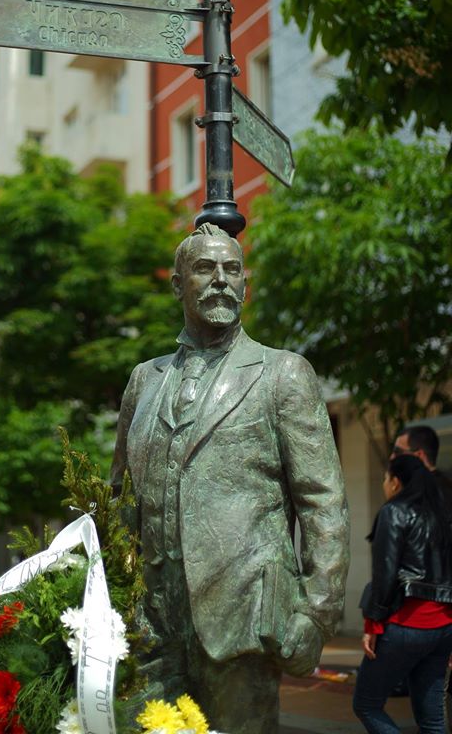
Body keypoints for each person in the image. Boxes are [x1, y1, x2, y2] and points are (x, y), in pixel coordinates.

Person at [111, 223, 350, 734]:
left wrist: (316, 611)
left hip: (244, 620)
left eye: (232, 269)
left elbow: (323, 502)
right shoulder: (144, 381)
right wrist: (106, 593)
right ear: (178, 285)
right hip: (147, 626)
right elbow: (119, 498)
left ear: (244, 283)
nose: (221, 280)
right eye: (205, 268)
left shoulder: (282, 373)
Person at [353, 455, 452, 734]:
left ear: (395, 482)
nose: (384, 484)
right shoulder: (442, 515)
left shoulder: (393, 511)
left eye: (385, 478)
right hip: (444, 628)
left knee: (367, 704)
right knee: (432, 721)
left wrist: (372, 624)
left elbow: (385, 574)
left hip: (406, 623)